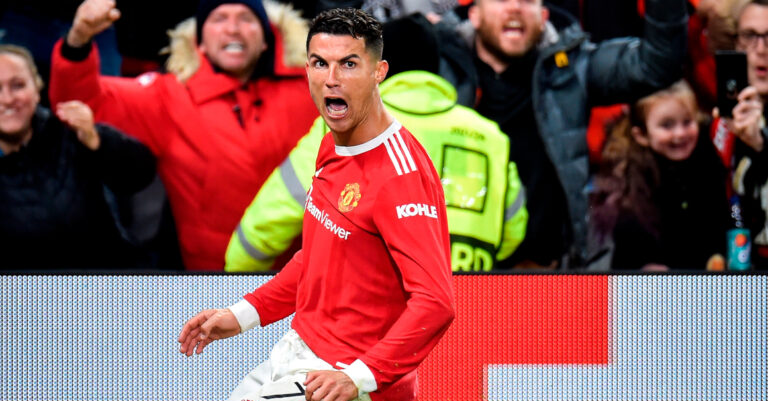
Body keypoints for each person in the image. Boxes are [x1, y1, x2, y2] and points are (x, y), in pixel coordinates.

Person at [178, 8, 454, 401]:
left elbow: (436, 303)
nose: (331, 78)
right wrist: (244, 314)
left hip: (343, 384)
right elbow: (320, 256)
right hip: (298, 352)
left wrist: (358, 377)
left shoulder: (401, 175)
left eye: (348, 64)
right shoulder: (332, 143)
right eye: (320, 63)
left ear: (379, 71)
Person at [225, 14, 527, 272]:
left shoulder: (344, 126)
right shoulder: (489, 135)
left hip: (369, 315)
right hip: (468, 306)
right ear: (436, 66)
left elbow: (270, 218)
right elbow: (513, 230)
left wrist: (235, 283)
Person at [48, 0, 318, 269]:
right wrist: (78, 39)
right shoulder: (167, 97)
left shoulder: (311, 88)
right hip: (212, 279)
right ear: (199, 42)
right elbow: (79, 102)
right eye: (219, 19)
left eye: (246, 19)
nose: (233, 28)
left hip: (306, 272)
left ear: (265, 40)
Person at [421, 0, 688, 269]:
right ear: (474, 15)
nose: (514, 7)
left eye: (527, 1)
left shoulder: (572, 66)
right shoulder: (432, 62)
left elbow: (658, 63)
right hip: (456, 272)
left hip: (549, 275)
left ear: (543, 17)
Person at [0, 44, 156, 269]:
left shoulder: (69, 131)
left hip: (108, 284)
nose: (7, 99)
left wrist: (97, 140)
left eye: (18, 86)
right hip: (24, 298)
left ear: (37, 88)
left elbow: (141, 175)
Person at [592, 81, 730, 270]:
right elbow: (631, 245)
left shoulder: (708, 161)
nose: (680, 133)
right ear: (641, 135)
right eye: (667, 125)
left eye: (687, 122)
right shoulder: (630, 182)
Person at [712, 0, 768, 268]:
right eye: (750, 36)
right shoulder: (719, 124)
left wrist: (762, 146)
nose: (761, 50)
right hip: (734, 276)